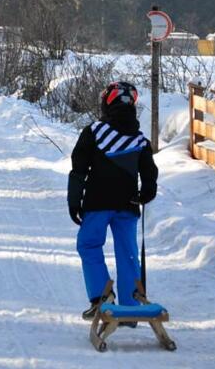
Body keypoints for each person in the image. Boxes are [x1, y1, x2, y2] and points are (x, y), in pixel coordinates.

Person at [67, 81, 158, 321]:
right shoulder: (140, 140)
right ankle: (131, 303)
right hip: (128, 205)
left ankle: (101, 299)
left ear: (106, 102)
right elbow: (149, 175)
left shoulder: (93, 132)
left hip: (97, 204)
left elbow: (78, 170)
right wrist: (147, 191)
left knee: (88, 245)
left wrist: (74, 200)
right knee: (128, 252)